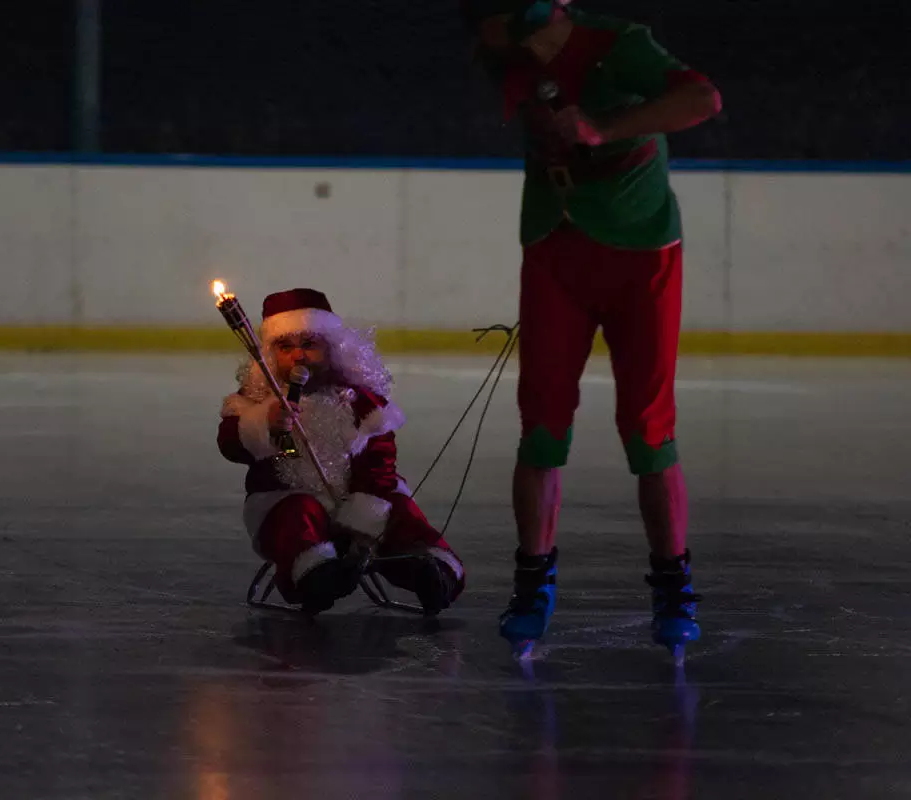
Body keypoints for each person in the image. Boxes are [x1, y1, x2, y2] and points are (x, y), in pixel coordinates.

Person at [458, 0, 723, 654]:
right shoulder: (508, 51)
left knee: (648, 427)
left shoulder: (620, 45)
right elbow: (500, 51)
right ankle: (532, 581)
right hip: (555, 248)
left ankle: (673, 584)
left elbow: (702, 99)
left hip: (641, 252)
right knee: (541, 425)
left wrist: (606, 128)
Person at [217, 288, 464, 615]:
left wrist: (363, 513)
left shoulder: (360, 403)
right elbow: (231, 445)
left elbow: (379, 462)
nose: (298, 356)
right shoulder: (256, 403)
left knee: (398, 511)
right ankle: (315, 576)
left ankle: (430, 570)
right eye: (285, 347)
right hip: (289, 499)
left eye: (309, 344)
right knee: (295, 516)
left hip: (357, 498)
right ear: (269, 354)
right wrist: (262, 424)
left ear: (332, 349)